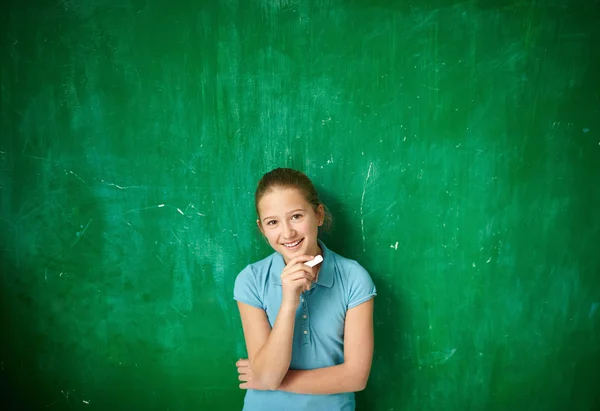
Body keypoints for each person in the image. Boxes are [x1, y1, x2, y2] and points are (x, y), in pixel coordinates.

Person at [233, 167, 377, 411]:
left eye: (297, 216)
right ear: (262, 229)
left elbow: (356, 377)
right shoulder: (251, 279)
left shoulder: (354, 278)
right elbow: (267, 376)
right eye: (273, 222)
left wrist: (272, 380)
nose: (287, 232)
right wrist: (289, 301)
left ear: (318, 215)